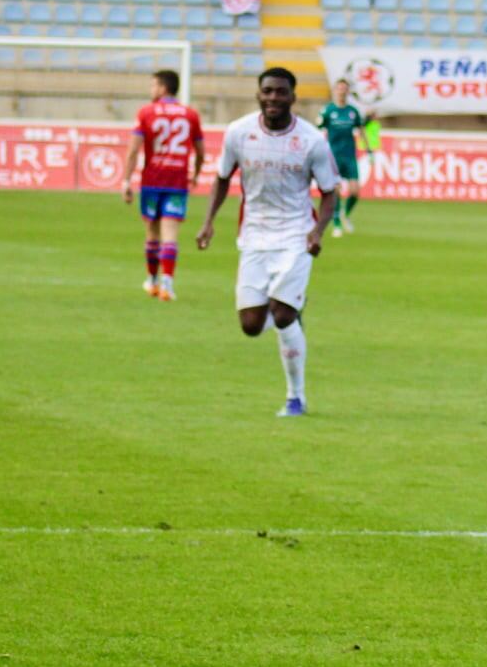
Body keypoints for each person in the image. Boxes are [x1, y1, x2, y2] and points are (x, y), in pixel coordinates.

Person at [196, 68, 342, 418]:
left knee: (283, 316)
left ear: (293, 97)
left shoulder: (311, 141)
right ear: (258, 94)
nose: (273, 98)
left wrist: (317, 232)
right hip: (255, 235)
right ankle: (286, 304)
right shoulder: (239, 132)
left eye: (280, 92)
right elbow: (221, 178)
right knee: (250, 325)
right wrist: (208, 222)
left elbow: (329, 192)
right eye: (267, 91)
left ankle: (296, 397)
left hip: (295, 235)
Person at [121, 69, 206, 301]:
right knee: (171, 235)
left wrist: (126, 180)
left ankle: (152, 281)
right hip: (177, 181)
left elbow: (133, 150)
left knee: (152, 234)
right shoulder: (190, 114)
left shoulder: (146, 112)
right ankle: (168, 284)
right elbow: (200, 152)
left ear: (162, 88)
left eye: (153, 86)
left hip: (152, 181)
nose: (151, 90)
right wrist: (196, 174)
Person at [316, 78, 365, 238]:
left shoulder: (352, 111)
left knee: (355, 191)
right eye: (339, 88)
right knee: (335, 190)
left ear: (348, 91)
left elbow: (360, 129)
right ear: (335, 90)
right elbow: (318, 131)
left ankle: (346, 214)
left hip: (349, 156)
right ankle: (336, 223)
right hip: (333, 156)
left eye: (345, 88)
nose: (342, 91)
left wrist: (369, 149)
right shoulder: (328, 111)